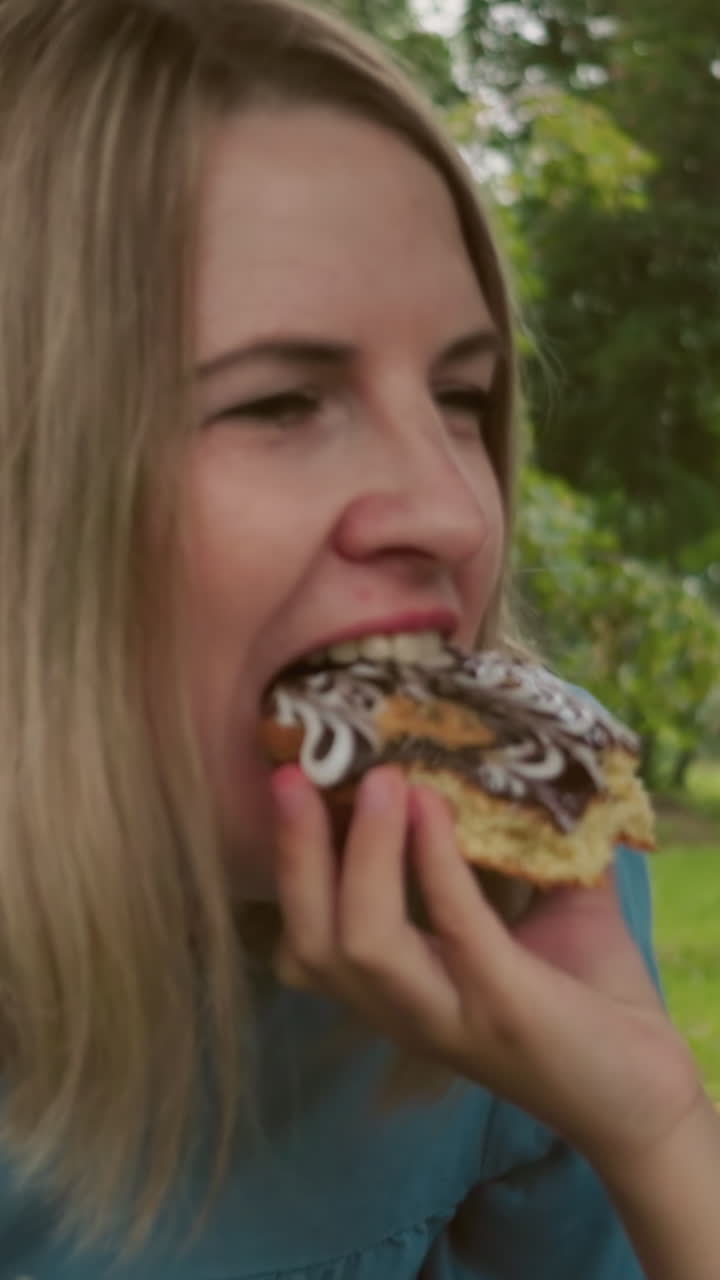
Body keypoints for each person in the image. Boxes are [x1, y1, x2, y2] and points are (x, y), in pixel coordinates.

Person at [0, 0, 716, 1276]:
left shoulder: (525, 931)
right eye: (279, 400)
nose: (451, 508)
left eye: (461, 396)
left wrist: (657, 1129)